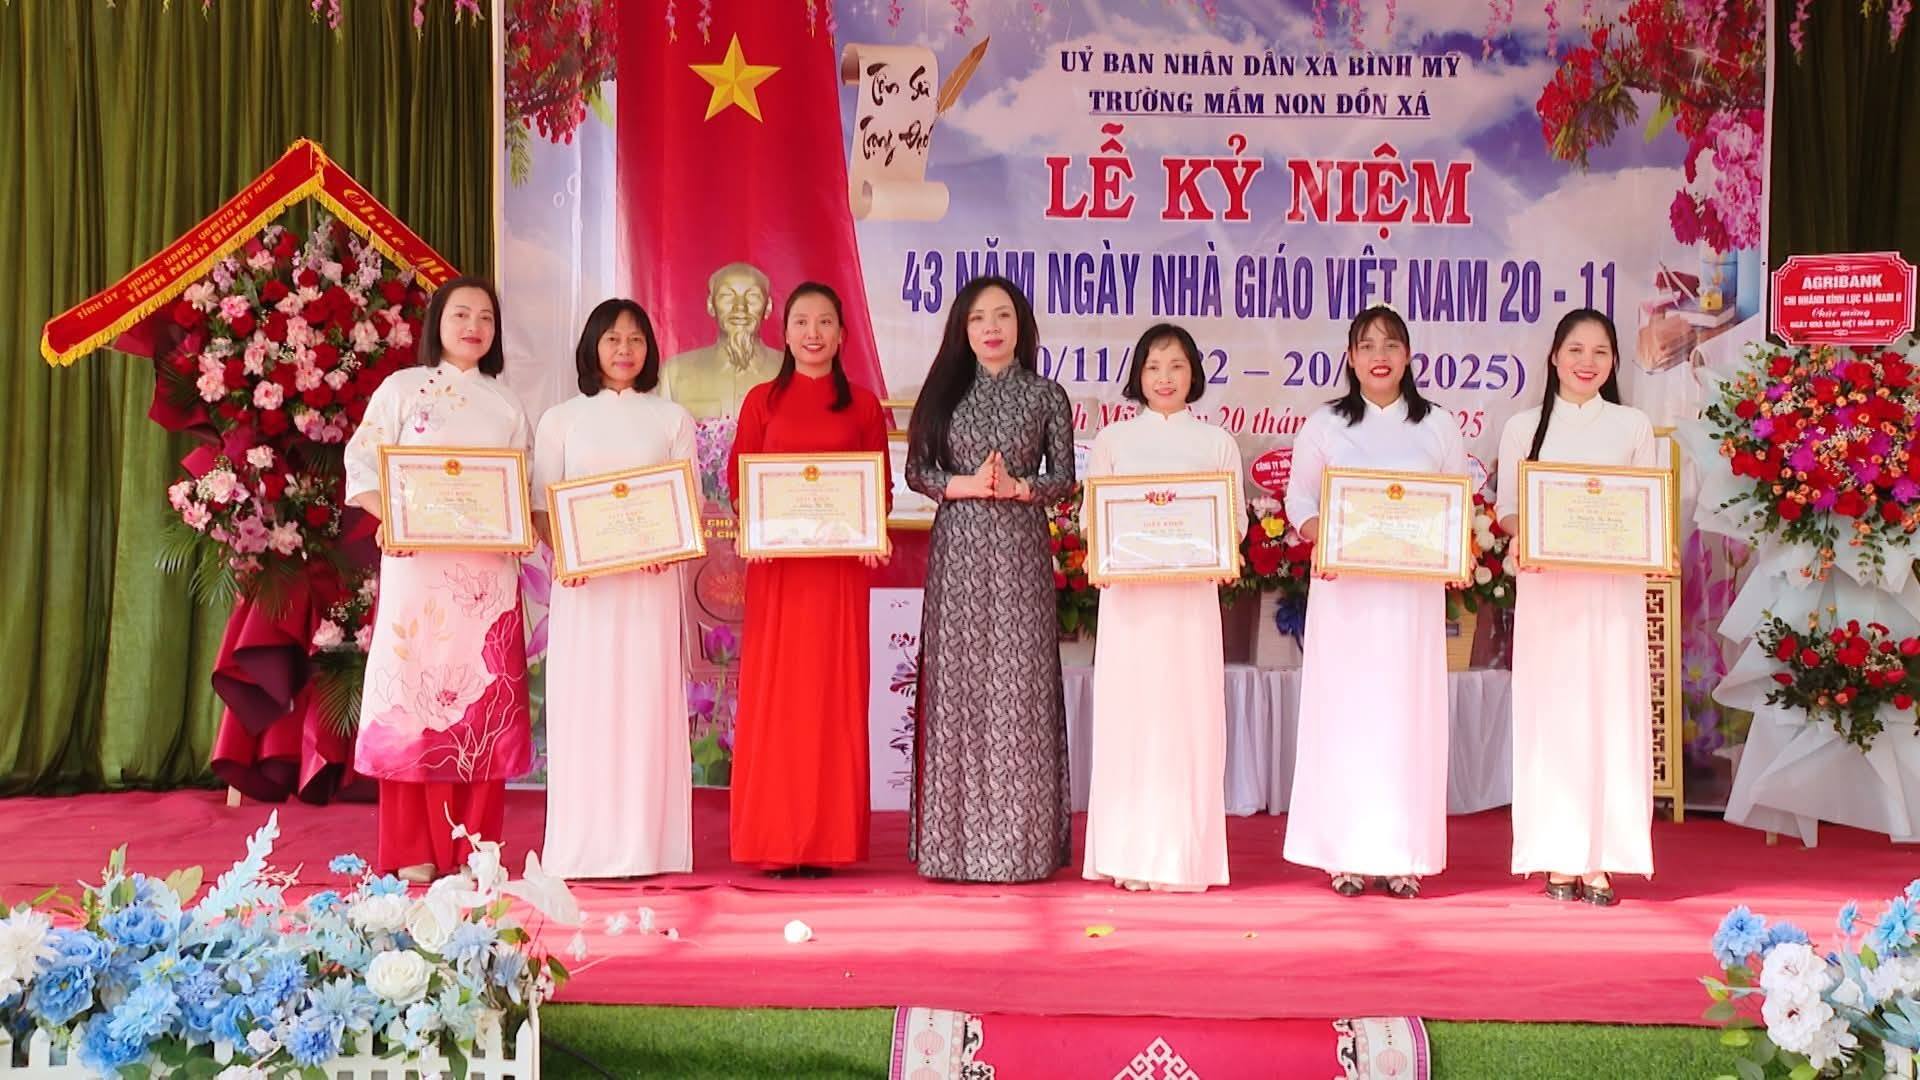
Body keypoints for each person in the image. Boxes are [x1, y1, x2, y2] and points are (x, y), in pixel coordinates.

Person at [343, 277, 532, 882]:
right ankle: (412, 851)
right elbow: (361, 464)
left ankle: (476, 851)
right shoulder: (401, 390)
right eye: (461, 314)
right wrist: (389, 519)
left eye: (486, 317)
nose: (474, 326)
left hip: (486, 580)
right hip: (418, 571)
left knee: (481, 701)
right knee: (414, 699)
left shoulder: (506, 405)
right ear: (437, 323)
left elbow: (522, 489)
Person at [1283, 305, 1466, 899]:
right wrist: (1326, 536)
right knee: (1347, 714)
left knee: (1406, 716)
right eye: (1367, 346)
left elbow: (1457, 502)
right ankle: (1344, 853)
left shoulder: (1437, 424)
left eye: (1391, 345)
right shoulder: (1325, 424)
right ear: (1351, 358)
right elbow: (1299, 500)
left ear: (1408, 356)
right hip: (1347, 598)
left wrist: (1449, 550)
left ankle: (1403, 855)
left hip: (1411, 600)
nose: (1379, 356)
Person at [905, 275, 1075, 883]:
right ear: (963, 330)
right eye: (978, 318)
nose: (991, 328)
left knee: (1020, 689)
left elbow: (1065, 479)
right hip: (959, 553)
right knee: (957, 689)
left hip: (1021, 554)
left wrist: (1023, 488)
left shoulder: (1046, 395)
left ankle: (1018, 850)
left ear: (1021, 324)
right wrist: (967, 485)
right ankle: (951, 851)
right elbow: (917, 470)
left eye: (1002, 315)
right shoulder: (945, 391)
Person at [726, 282, 891, 877]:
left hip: (838, 575)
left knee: (831, 701)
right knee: (777, 701)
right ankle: (775, 840)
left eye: (825, 322)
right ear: (785, 332)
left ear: (842, 335)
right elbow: (740, 479)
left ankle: (826, 842)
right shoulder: (761, 402)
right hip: (779, 574)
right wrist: (754, 524)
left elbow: (878, 486)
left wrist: (871, 532)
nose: (813, 333)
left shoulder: (864, 406)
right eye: (802, 321)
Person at [1497, 309, 1658, 907]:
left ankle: (1603, 858)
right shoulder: (1523, 427)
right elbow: (1508, 509)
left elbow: (1649, 507)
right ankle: (1558, 853)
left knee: (1611, 713)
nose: (1587, 362)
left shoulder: (1632, 425)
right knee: (1554, 716)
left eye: (1600, 352)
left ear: (1614, 362)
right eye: (1575, 350)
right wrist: (1530, 534)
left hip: (1613, 594)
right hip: (1550, 592)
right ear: (1554, 358)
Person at [531, 298, 696, 880]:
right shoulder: (561, 419)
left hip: (650, 589)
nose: (625, 350)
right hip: (585, 590)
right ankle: (583, 847)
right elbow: (542, 505)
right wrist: (565, 553)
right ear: (592, 348)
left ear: (650, 349)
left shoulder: (672, 419)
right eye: (612, 339)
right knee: (587, 705)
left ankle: (650, 847)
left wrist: (666, 546)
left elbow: (686, 505)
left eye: (636, 339)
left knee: (646, 704)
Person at [1081, 324, 1241, 893]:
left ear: (1194, 372)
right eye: (1153, 366)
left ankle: (1181, 859)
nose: (1165, 378)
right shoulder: (1113, 441)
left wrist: (1211, 548)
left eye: (1176, 366)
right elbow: (1093, 520)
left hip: (1190, 607)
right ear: (1138, 376)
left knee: (1186, 721)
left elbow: (1233, 524)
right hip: (1130, 608)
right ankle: (1127, 855)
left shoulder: (1216, 442)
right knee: (1132, 721)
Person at [661, 262, 784, 421]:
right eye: (727, 296)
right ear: (711, 305)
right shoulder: (675, 373)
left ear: (768, 307)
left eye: (753, 297)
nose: (740, 307)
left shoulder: (791, 371)